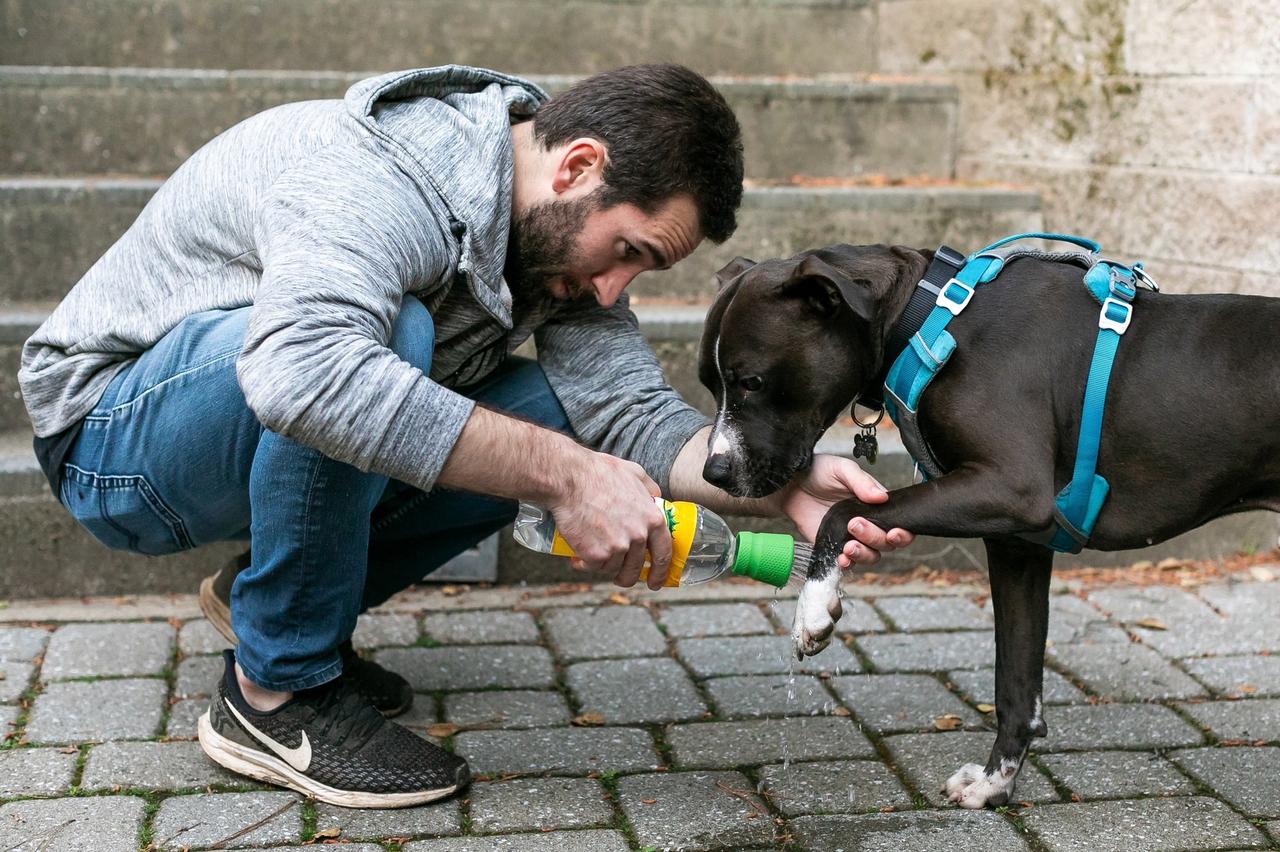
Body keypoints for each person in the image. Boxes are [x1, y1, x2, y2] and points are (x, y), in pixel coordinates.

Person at [18, 64, 911, 807]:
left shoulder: (554, 241)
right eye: (629, 251)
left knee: (559, 410)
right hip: (113, 445)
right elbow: (306, 374)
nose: (615, 290)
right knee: (389, 344)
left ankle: (272, 603)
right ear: (578, 167)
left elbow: (629, 417)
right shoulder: (377, 174)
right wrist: (564, 477)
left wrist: (778, 485)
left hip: (238, 434)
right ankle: (275, 692)